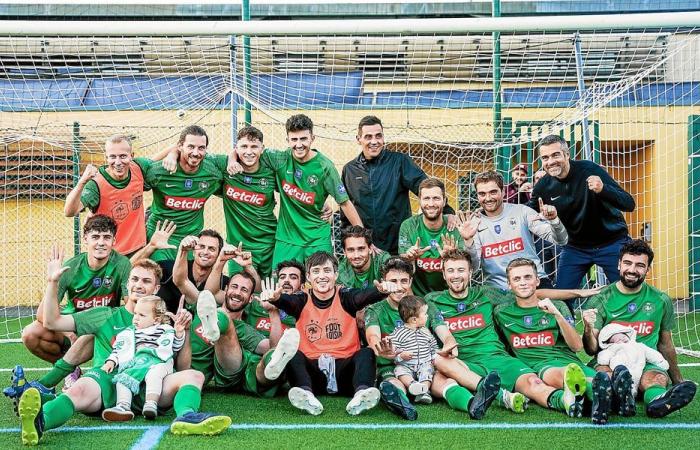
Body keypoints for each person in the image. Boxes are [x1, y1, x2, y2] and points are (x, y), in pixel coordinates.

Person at [15, 252, 230, 446]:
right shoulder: (104, 315)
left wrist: (184, 333)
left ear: (156, 289)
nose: (139, 285)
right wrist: (53, 282)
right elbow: (52, 322)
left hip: (150, 389)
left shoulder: (165, 321)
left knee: (194, 376)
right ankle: (40, 421)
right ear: (127, 284)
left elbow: (182, 367)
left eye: (146, 281)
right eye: (134, 279)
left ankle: (187, 416)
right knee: (78, 389)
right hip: (108, 382)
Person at [427, 249, 593, 418]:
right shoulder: (432, 300)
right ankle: (502, 396)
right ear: (443, 274)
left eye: (461, 270)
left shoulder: (488, 294)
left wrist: (576, 293)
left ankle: (564, 401)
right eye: (451, 270)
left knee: (533, 382)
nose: (456, 275)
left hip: (498, 358)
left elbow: (528, 293)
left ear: (470, 272)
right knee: (439, 361)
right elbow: (431, 321)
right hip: (463, 362)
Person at [260, 251, 399, 416]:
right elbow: (287, 301)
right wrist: (276, 299)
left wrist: (382, 291)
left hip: (346, 374)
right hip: (313, 375)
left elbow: (363, 296)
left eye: (327, 271)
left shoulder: (346, 296)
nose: (322, 276)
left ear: (336, 274)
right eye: (316, 271)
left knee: (366, 352)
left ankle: (362, 394)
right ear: (309, 278)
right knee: (293, 354)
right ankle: (306, 396)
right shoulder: (301, 299)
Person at [365, 257, 500, 421]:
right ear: (383, 282)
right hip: (392, 366)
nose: (399, 287)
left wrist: (449, 344)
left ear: (411, 281)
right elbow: (372, 337)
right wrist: (382, 349)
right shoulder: (375, 309)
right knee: (394, 384)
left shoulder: (424, 305)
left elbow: (444, 331)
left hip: (423, 364)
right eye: (393, 281)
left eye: (403, 281)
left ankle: (473, 404)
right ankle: (404, 406)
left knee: (445, 381)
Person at [582, 239, 696, 418]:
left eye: (640, 265)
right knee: (605, 375)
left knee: (656, 379)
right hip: (611, 361)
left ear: (648, 270)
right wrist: (588, 329)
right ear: (619, 264)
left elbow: (666, 344)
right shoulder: (602, 298)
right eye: (627, 263)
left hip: (646, 361)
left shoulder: (660, 300)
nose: (632, 270)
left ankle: (657, 402)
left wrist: (678, 381)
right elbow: (591, 350)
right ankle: (616, 397)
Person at [19, 215, 131, 394]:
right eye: (95, 237)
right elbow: (41, 315)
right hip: (71, 326)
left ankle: (99, 378)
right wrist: (69, 332)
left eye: (106, 237)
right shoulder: (71, 268)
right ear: (85, 239)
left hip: (102, 327)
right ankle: (70, 370)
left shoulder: (122, 264)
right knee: (30, 334)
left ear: (114, 241)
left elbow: (129, 308)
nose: (101, 243)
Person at [494, 258, 613, 424]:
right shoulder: (501, 311)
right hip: (541, 366)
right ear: (509, 284)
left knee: (598, 381)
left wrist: (556, 314)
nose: (523, 283)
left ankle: (603, 398)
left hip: (571, 362)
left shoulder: (558, 305)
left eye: (528, 277)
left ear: (537, 281)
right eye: (517, 279)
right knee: (570, 375)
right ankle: (600, 397)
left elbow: (577, 346)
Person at [527, 134, 635, 289]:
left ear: (567, 155)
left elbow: (629, 204)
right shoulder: (543, 186)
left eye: (555, 155)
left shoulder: (589, 170)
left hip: (611, 243)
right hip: (574, 248)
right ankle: (567, 314)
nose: (550, 161)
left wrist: (603, 189)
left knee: (628, 290)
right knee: (562, 297)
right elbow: (527, 214)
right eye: (545, 158)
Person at [261, 114, 363, 268]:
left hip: (317, 238)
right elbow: (250, 152)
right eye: (294, 140)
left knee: (322, 283)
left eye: (303, 139)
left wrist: (363, 238)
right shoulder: (280, 159)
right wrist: (232, 159)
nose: (299, 144)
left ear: (312, 138)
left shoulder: (325, 166)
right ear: (287, 140)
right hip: (287, 238)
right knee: (282, 285)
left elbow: (345, 203)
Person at [341, 115, 455, 254]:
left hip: (398, 245)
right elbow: (346, 210)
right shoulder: (350, 170)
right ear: (358, 139)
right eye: (368, 137)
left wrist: (448, 211)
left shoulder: (399, 162)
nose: (374, 141)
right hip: (366, 249)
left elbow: (426, 187)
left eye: (378, 136)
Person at [467, 170, 567, 290]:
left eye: (493, 192)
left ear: (503, 192)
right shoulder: (474, 223)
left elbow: (561, 240)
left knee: (560, 308)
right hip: (499, 289)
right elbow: (474, 266)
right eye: (482, 194)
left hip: (534, 282)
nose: (488, 198)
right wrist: (468, 242)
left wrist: (554, 221)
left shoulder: (522, 211)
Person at [142, 125, 226, 261]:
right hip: (160, 237)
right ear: (180, 146)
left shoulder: (213, 175)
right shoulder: (159, 170)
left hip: (191, 241)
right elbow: (135, 177)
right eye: (191, 147)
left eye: (201, 148)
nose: (196, 152)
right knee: (162, 277)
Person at [63, 135, 155, 256]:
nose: (118, 162)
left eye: (123, 156)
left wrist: (173, 153)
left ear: (131, 156)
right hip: (111, 255)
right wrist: (81, 182)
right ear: (106, 157)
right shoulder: (96, 184)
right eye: (112, 157)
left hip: (139, 248)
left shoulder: (138, 168)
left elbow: (159, 162)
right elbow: (69, 212)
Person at [101, 296, 185, 421]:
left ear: (156, 320)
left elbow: (175, 347)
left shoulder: (165, 330)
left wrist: (178, 333)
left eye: (142, 315)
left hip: (159, 361)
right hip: (137, 363)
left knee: (154, 374)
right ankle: (123, 406)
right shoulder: (129, 332)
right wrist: (111, 361)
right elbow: (119, 349)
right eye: (135, 313)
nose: (136, 318)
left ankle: (151, 404)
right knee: (123, 378)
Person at [399, 178, 475, 296]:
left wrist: (452, 257)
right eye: (426, 198)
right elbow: (402, 268)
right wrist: (409, 258)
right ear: (419, 201)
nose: (431, 204)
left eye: (436, 198)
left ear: (444, 201)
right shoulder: (408, 226)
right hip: (419, 298)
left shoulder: (456, 227)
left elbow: (469, 268)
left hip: (449, 296)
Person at [132, 224, 231, 313]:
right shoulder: (169, 268)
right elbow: (129, 269)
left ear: (219, 254)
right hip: (161, 329)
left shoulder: (223, 282)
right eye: (201, 246)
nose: (205, 252)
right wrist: (151, 246)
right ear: (193, 251)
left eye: (211, 249)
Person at [220, 126, 278, 277]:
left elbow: (294, 187)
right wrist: (172, 154)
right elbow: (193, 154)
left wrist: (321, 203)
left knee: (269, 294)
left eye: (254, 147)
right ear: (236, 148)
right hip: (238, 249)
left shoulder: (271, 171)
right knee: (239, 293)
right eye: (244, 146)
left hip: (269, 246)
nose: (249, 152)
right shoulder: (225, 167)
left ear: (262, 148)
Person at [388, 296, 439, 405]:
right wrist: (401, 356)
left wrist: (434, 357)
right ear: (414, 319)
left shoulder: (425, 331)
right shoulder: (398, 333)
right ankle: (411, 384)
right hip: (406, 365)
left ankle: (424, 391)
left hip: (423, 363)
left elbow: (433, 345)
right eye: (425, 314)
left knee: (428, 370)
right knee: (399, 370)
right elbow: (392, 352)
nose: (427, 316)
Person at [597, 323, 669, 397]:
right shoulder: (613, 348)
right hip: (620, 369)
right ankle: (620, 394)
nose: (622, 339)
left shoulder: (639, 346)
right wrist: (605, 357)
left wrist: (661, 362)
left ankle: (656, 397)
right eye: (618, 339)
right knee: (619, 376)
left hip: (637, 367)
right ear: (611, 343)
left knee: (637, 378)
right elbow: (603, 359)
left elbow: (651, 354)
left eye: (623, 336)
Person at [244, 260, 302, 337]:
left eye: (293, 277)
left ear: (302, 285)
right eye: (282, 277)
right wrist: (222, 262)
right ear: (277, 281)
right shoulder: (257, 299)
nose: (286, 280)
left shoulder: (305, 310)